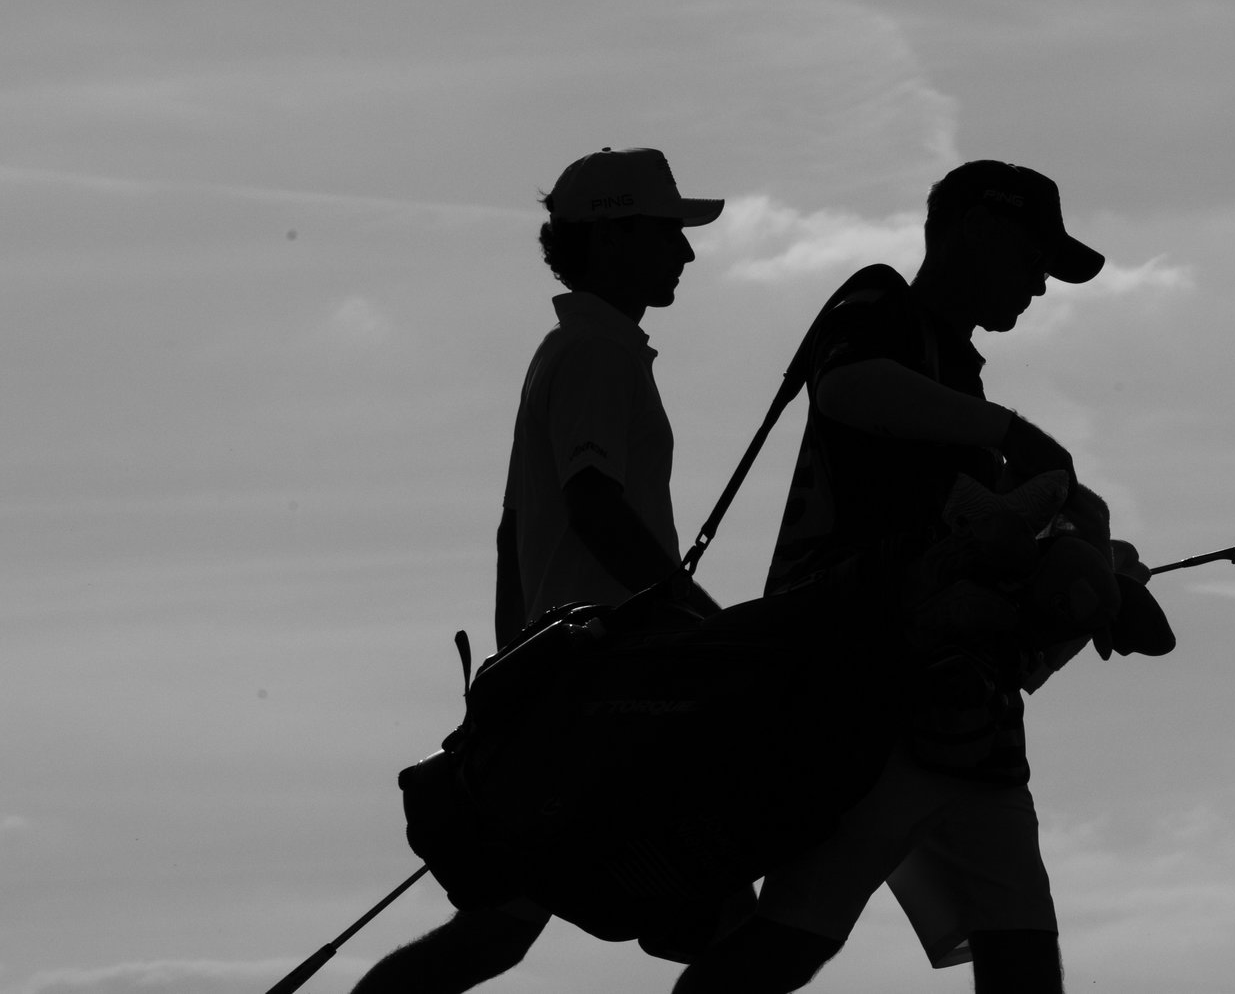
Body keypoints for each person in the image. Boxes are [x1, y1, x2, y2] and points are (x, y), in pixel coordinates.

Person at [673, 159, 1114, 994]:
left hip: (969, 724)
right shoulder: (880, 304)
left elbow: (964, 518)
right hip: (867, 703)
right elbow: (844, 388)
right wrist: (1012, 437)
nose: (1040, 286)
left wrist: (1095, 573)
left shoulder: (959, 371)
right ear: (977, 232)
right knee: (786, 947)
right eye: (1033, 259)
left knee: (1018, 952)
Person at [353, 146, 723, 994]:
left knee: (503, 930)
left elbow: (512, 530)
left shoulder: (575, 350)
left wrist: (512, 672)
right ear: (614, 235)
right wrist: (703, 622)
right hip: (611, 688)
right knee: (725, 923)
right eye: (667, 231)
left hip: (569, 686)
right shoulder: (596, 355)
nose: (686, 252)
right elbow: (593, 505)